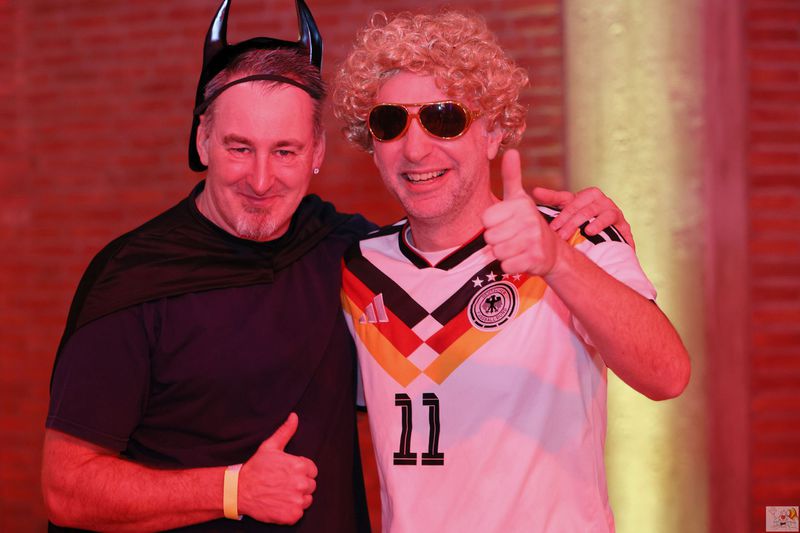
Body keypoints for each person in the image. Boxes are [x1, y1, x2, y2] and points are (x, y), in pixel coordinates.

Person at [41, 1, 638, 531]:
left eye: (286, 151)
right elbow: (66, 489)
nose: (260, 179)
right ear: (202, 142)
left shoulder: (349, 255)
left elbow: (445, 245)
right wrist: (231, 491)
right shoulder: (134, 278)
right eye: (239, 148)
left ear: (317, 154)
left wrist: (579, 237)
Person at [333, 9, 691, 533]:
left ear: (494, 132)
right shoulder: (357, 270)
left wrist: (556, 262)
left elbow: (667, 375)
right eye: (390, 123)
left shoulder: (574, 236)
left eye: (444, 118)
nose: (415, 148)